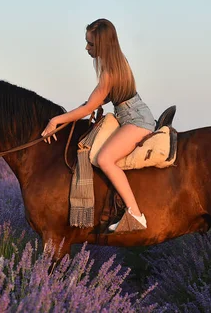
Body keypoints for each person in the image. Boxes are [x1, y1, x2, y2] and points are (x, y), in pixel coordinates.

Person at [41, 18, 156, 232]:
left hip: (135, 120)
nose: (86, 48)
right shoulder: (116, 64)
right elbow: (92, 103)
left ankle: (135, 214)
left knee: (105, 159)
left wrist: (55, 120)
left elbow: (87, 109)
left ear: (102, 44)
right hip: (130, 115)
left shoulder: (109, 74)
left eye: (90, 44)